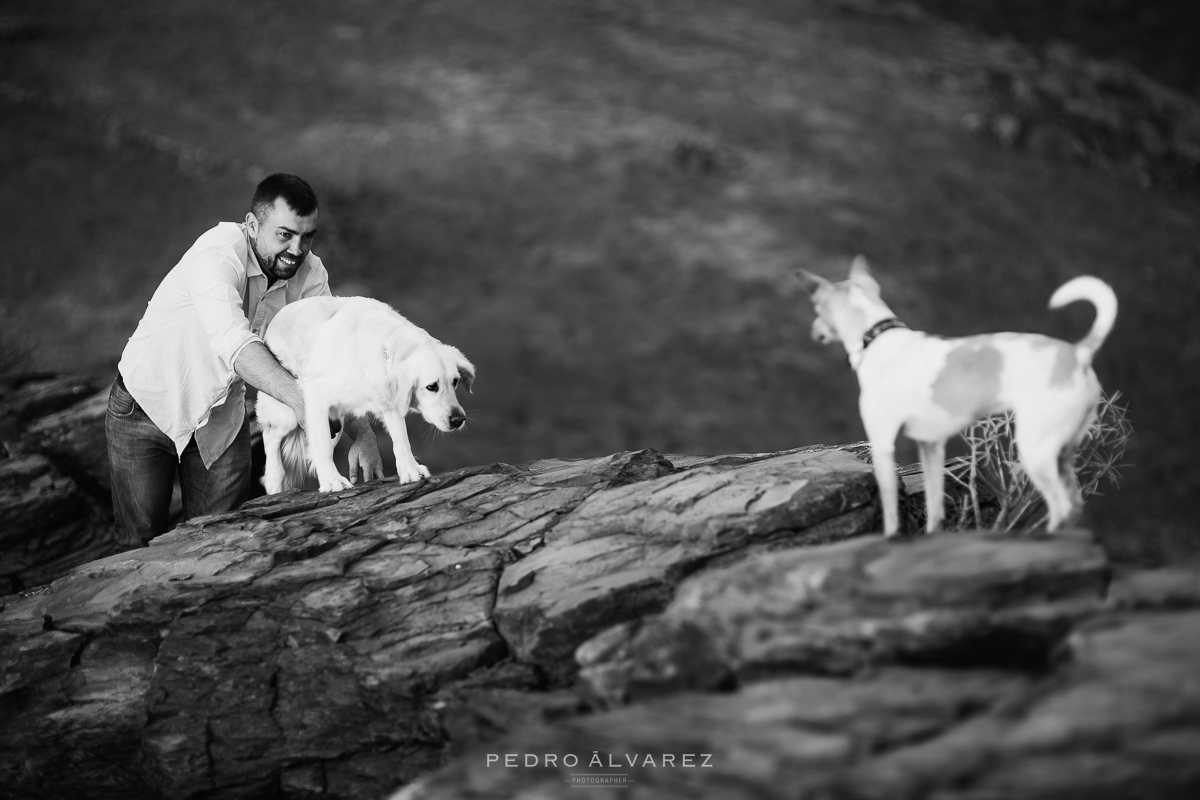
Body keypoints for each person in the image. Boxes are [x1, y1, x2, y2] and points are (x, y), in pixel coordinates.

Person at [106, 173, 383, 550]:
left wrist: (363, 435)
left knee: (221, 543)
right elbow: (233, 343)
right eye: (284, 234)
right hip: (145, 407)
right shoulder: (216, 254)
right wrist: (303, 403)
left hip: (222, 419)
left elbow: (326, 358)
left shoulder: (311, 276)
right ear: (252, 225)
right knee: (137, 546)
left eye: (307, 236)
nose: (297, 249)